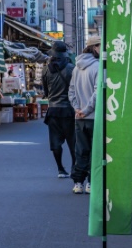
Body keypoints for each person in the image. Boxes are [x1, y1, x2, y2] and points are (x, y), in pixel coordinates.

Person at [68, 37, 101, 194]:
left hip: (79, 117)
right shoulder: (97, 67)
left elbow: (71, 91)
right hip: (93, 116)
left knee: (80, 150)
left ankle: (78, 183)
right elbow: (97, 92)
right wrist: (86, 110)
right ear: (94, 47)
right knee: (95, 151)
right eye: (101, 46)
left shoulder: (76, 68)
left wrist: (77, 109)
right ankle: (90, 182)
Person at [41, 42, 76, 178]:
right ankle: (74, 167)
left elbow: (45, 91)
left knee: (55, 141)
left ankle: (60, 169)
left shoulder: (45, 70)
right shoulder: (71, 69)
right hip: (69, 110)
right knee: (72, 140)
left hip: (53, 110)